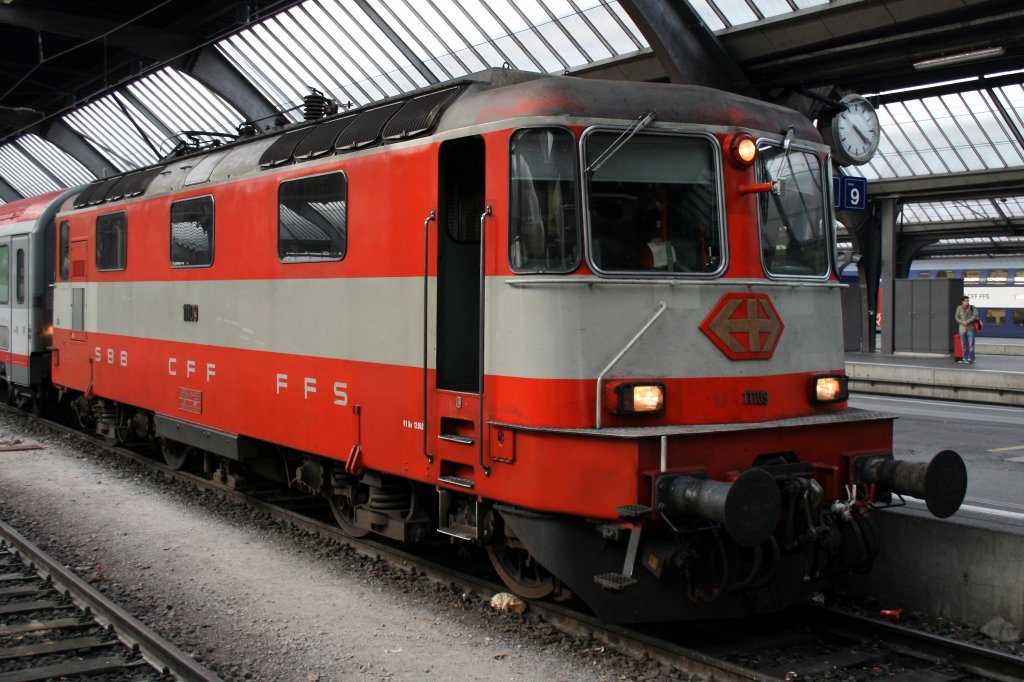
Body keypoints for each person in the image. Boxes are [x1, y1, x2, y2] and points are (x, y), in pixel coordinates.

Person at [954, 296, 979, 364]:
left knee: (971, 345)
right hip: (962, 329)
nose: (967, 301)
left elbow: (975, 316)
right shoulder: (959, 308)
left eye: (968, 300)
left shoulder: (972, 307)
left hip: (970, 328)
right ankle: (964, 358)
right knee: (963, 345)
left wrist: (967, 322)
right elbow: (956, 317)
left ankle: (971, 358)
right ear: (962, 301)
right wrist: (962, 322)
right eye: (966, 300)